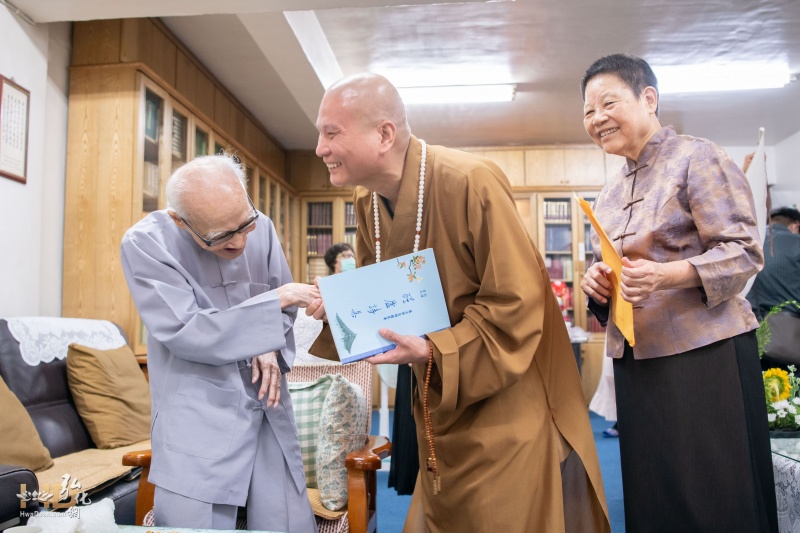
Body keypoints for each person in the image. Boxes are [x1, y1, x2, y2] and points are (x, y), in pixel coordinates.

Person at [307, 73, 610, 532]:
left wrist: (432, 349)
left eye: (331, 133)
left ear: (384, 134)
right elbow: (382, 296)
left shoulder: (471, 181)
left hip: (503, 402)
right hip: (434, 404)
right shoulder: (367, 201)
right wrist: (340, 308)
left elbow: (516, 304)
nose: (319, 148)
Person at [580, 53, 777, 532]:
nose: (597, 118)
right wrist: (598, 288)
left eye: (608, 103)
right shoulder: (608, 194)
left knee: (712, 493)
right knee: (654, 493)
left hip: (703, 356)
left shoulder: (697, 157)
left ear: (648, 98)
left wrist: (668, 276)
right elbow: (617, 274)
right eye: (587, 111)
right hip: (637, 362)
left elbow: (744, 252)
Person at [120, 154, 319, 532]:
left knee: (286, 522)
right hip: (198, 416)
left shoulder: (261, 227)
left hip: (265, 406)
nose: (242, 241)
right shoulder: (146, 244)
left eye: (245, 224)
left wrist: (267, 342)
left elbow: (282, 316)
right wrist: (271, 306)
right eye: (222, 237)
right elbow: (188, 330)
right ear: (180, 221)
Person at [746, 206, 800, 320]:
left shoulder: (750, 242)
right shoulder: (796, 242)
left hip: (749, 321)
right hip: (789, 325)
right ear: (795, 226)